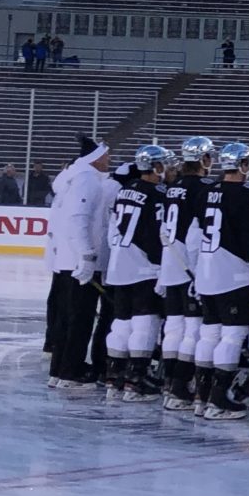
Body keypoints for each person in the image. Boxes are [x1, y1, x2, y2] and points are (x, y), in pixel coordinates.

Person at [193, 142, 249, 420]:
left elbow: (193, 235)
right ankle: (218, 400)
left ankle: (201, 395)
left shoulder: (207, 191)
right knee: (232, 335)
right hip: (234, 273)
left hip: (207, 270)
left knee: (209, 333)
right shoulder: (248, 194)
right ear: (243, 164)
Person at [104, 144, 173, 402]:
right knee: (146, 322)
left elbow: (114, 230)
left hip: (120, 264)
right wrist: (159, 263)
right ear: (155, 166)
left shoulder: (125, 190)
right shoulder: (157, 193)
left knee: (121, 322)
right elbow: (155, 234)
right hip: (144, 267)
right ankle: (137, 379)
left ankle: (114, 376)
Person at [47, 136, 113, 388]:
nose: (109, 160)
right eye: (106, 156)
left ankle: (60, 368)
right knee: (80, 319)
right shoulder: (87, 181)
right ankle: (71, 371)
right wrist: (86, 255)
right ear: (95, 159)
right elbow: (78, 219)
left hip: (66, 260)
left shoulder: (75, 179)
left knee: (66, 317)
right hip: (80, 262)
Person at [156, 137, 214, 411]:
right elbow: (198, 232)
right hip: (189, 264)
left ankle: (169, 383)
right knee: (192, 329)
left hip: (170, 260)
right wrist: (198, 270)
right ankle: (182, 385)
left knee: (174, 326)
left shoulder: (172, 187)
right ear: (203, 160)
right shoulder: (204, 187)